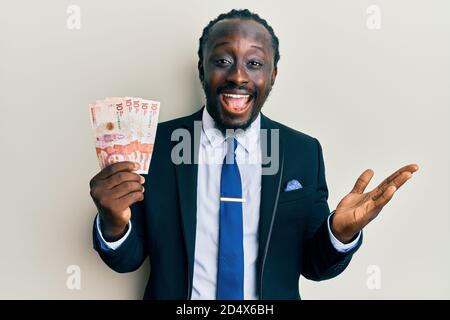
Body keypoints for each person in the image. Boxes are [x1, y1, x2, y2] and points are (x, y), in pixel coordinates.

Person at [89, 9, 418, 300]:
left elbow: (314, 266)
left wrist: (339, 233)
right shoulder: (158, 145)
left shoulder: (302, 152)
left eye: (255, 63)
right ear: (202, 69)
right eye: (222, 61)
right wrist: (113, 223)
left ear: (272, 75)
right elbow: (127, 259)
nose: (238, 75)